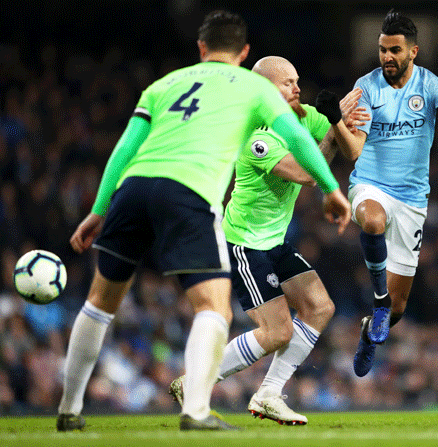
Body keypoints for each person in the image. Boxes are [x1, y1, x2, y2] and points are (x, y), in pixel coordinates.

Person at [57, 10, 351, 432]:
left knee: (100, 302)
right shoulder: (253, 87)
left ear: (200, 49)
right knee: (213, 308)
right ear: (245, 52)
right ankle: (194, 409)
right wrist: (330, 189)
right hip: (187, 191)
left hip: (134, 187)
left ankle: (69, 410)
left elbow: (125, 147)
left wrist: (99, 208)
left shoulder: (164, 85)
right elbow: (300, 141)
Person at [167, 56, 368, 425]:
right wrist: (332, 132)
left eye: (296, 81)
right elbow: (306, 175)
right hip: (244, 245)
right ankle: (195, 382)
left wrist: (345, 122)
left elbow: (353, 146)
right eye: (286, 83)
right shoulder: (254, 134)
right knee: (277, 331)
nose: (297, 89)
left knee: (320, 308)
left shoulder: (303, 115)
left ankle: (269, 393)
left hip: (274, 242)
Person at [334, 9, 438, 377]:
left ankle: (371, 328)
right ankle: (378, 303)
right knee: (372, 221)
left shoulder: (432, 86)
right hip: (370, 184)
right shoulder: (366, 86)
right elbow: (354, 149)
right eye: (382, 50)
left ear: (413, 52)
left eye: (394, 50)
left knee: (399, 309)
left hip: (411, 200)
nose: (387, 57)